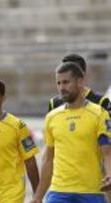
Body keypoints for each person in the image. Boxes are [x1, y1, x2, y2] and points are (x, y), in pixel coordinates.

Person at [31, 62, 111, 203]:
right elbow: (48, 160)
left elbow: (107, 153)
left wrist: (110, 174)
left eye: (66, 82)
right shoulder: (52, 117)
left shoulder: (99, 114)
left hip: (91, 191)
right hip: (59, 192)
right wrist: (38, 197)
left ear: (80, 81)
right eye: (59, 83)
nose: (61, 87)